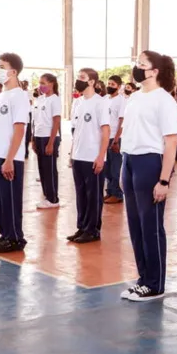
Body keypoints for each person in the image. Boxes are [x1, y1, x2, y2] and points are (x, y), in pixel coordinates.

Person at [120, 51, 177, 302]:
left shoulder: (164, 100)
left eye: (142, 65)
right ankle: (143, 278)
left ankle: (155, 284)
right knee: (135, 225)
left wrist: (164, 179)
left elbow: (171, 141)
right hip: (130, 160)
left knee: (151, 226)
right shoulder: (134, 97)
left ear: (154, 71)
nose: (137, 68)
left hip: (149, 163)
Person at [0, 53, 31, 254]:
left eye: (1, 66)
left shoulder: (19, 96)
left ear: (12, 72)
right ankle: (5, 235)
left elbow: (19, 129)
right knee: (1, 199)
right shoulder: (3, 94)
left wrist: (9, 159)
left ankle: (14, 237)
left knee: (10, 199)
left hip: (9, 157)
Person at [68, 69, 111, 244]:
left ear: (92, 82)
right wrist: (72, 153)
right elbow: (75, 131)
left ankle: (92, 230)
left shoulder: (100, 103)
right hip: (78, 155)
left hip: (93, 156)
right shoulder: (77, 103)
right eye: (78, 77)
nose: (79, 81)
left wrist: (101, 156)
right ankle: (82, 227)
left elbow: (105, 131)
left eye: (82, 78)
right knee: (80, 194)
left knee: (93, 194)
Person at [33, 74, 62, 209]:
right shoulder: (40, 99)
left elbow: (56, 121)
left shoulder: (54, 100)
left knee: (49, 169)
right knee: (42, 168)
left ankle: (53, 198)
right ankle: (47, 195)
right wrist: (33, 139)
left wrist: (51, 142)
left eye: (43, 83)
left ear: (52, 84)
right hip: (39, 136)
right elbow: (36, 121)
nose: (41, 86)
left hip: (48, 137)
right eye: (40, 83)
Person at [104, 75, 126, 204]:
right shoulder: (106, 99)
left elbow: (121, 120)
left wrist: (116, 140)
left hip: (114, 138)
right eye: (109, 83)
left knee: (115, 167)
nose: (109, 86)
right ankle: (110, 191)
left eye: (112, 84)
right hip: (105, 136)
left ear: (118, 86)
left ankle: (117, 194)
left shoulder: (121, 100)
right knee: (107, 167)